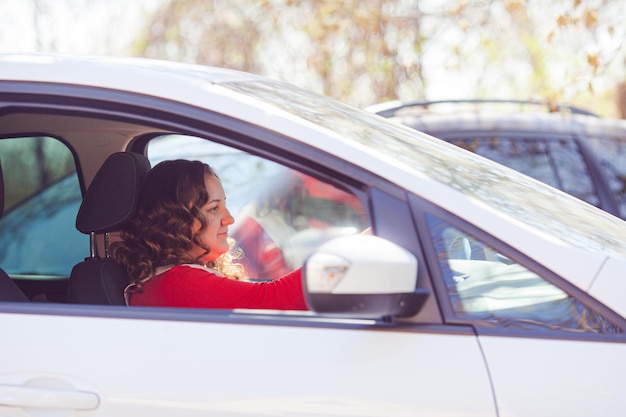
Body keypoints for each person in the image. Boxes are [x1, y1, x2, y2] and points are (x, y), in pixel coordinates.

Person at [111, 159, 307, 310]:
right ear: (176, 221)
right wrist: (329, 267)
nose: (229, 219)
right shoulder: (178, 284)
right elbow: (274, 300)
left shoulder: (167, 279)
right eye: (214, 209)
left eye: (224, 205)